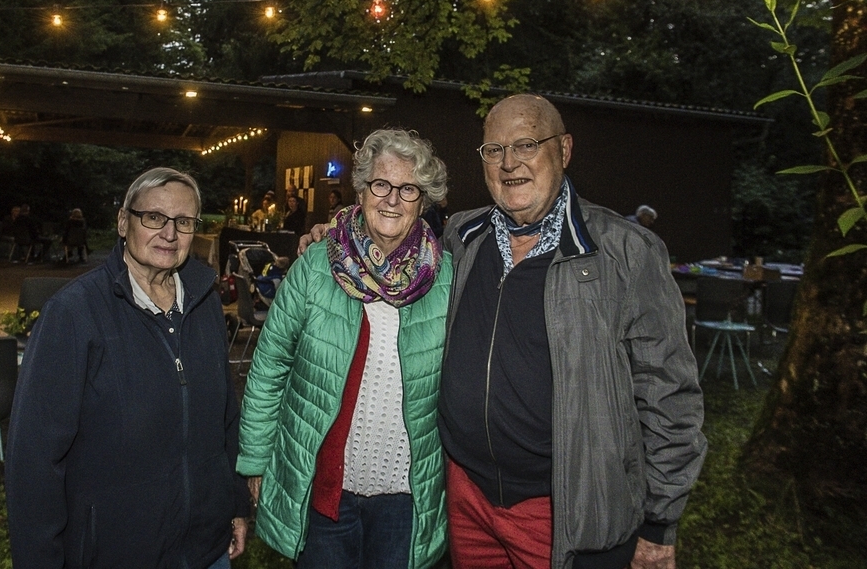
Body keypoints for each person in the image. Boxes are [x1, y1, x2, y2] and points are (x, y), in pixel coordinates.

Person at [301, 95, 706, 569]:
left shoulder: (624, 252)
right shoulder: (460, 239)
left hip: (561, 511)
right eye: (493, 150)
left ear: (565, 149)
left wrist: (659, 524)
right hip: (466, 500)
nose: (509, 162)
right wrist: (330, 242)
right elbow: (389, 243)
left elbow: (670, 394)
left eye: (527, 144)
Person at [6, 167, 249, 569]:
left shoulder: (204, 304)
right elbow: (34, 460)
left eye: (184, 222)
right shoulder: (74, 314)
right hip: (115, 554)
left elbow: (225, 418)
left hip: (206, 551)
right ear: (123, 221)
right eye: (153, 217)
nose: (169, 234)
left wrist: (235, 505)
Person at [238, 129, 451, 569]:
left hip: (406, 496)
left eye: (407, 188)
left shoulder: (448, 275)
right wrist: (256, 459)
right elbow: (270, 366)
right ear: (361, 189)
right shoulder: (317, 265)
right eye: (381, 184)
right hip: (325, 488)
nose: (392, 198)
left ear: (423, 199)